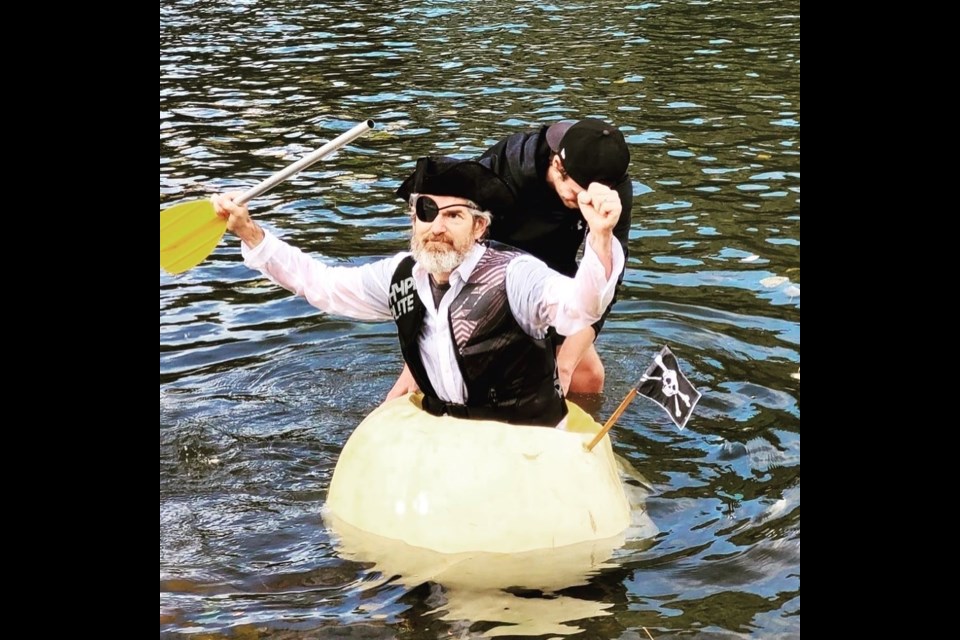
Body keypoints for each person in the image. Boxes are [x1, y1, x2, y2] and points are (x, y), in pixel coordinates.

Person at [212, 157, 624, 428]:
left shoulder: (516, 275)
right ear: (413, 219)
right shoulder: (400, 275)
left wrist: (600, 239)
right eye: (426, 213)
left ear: (480, 228)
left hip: (525, 436)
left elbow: (579, 308)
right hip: (442, 430)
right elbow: (320, 284)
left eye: (454, 216)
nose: (437, 227)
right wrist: (251, 233)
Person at [386, 118, 631, 401]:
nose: (587, 206)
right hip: (489, 274)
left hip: (556, 274)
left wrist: (564, 365)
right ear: (558, 166)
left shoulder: (610, 192)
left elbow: (611, 278)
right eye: (579, 198)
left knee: (587, 376)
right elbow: (446, 248)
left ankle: (574, 439)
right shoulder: (505, 166)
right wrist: (418, 357)